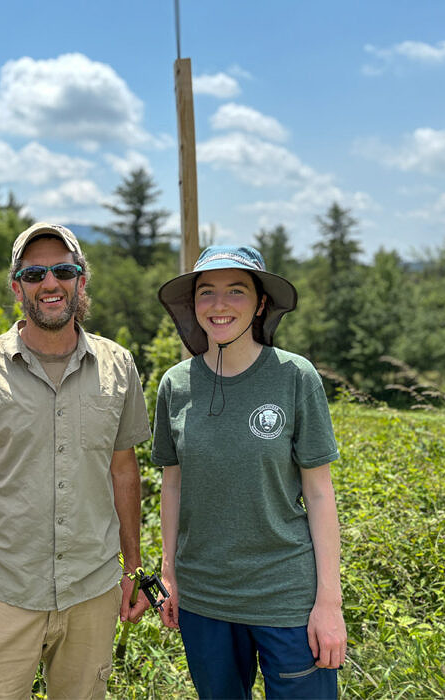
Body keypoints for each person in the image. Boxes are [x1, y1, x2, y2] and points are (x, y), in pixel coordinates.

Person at [0, 223, 150, 698]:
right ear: (17, 287)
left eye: (63, 270)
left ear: (81, 280)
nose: (49, 283)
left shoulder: (119, 366)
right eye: (34, 274)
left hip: (92, 589)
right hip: (5, 589)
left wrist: (133, 567)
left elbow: (123, 470)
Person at [152, 245, 345, 698]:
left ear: (260, 303)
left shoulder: (295, 377)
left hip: (287, 597)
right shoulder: (175, 385)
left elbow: (319, 494)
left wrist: (329, 603)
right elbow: (173, 485)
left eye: (236, 291)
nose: (219, 305)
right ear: (193, 304)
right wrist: (170, 575)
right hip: (205, 600)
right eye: (206, 292)